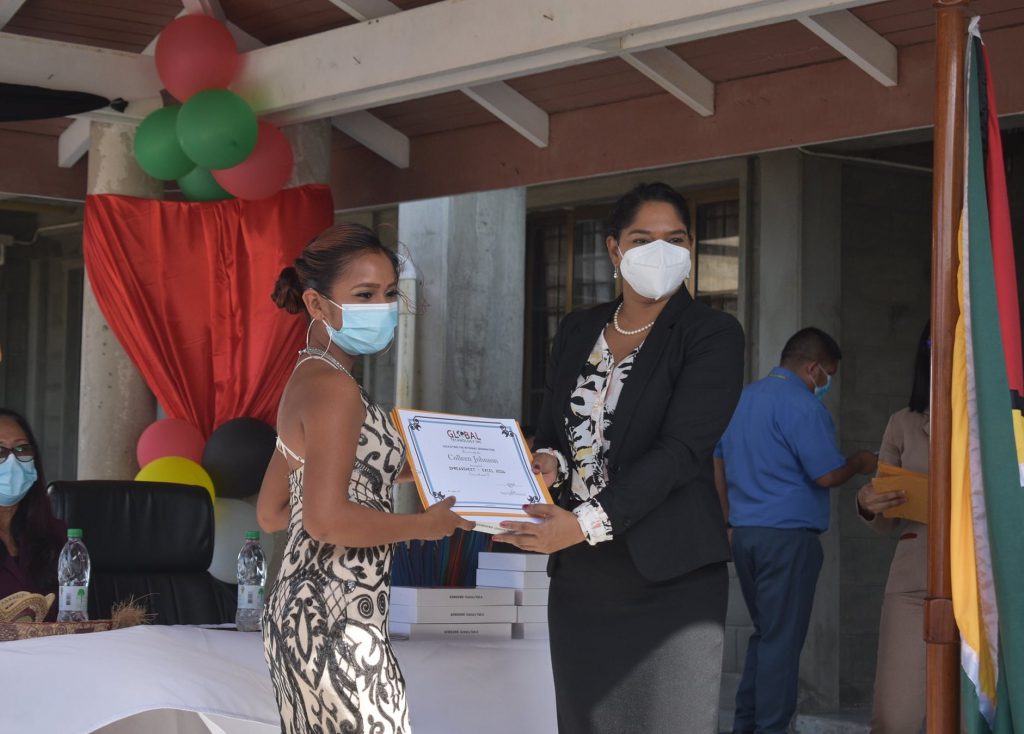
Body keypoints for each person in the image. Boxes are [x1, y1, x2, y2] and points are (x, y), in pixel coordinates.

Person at [494, 182, 746, 734]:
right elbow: (555, 427)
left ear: (691, 247)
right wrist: (546, 460)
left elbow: (682, 452)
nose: (661, 250)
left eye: (675, 238)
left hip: (671, 578)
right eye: (642, 238)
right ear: (614, 250)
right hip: (582, 580)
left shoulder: (711, 334)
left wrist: (583, 523)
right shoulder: (579, 329)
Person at [258, 223, 473, 734]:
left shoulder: (308, 377)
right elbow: (327, 520)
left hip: (303, 615)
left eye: (390, 292)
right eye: (364, 294)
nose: (383, 306)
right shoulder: (335, 389)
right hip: (339, 621)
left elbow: (272, 512)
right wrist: (424, 526)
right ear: (316, 304)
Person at [713, 328, 878, 734]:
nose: (827, 384)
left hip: (746, 535)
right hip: (787, 540)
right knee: (782, 643)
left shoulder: (741, 400)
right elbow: (825, 475)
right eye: (828, 374)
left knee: (765, 636)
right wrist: (858, 462)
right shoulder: (803, 407)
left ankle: (746, 726)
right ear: (813, 367)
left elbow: (716, 463)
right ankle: (771, 728)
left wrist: (729, 521)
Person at [855, 324, 930, 734]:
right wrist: (868, 502)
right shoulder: (903, 422)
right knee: (894, 716)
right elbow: (884, 512)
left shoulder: (1006, 416)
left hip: (990, 576)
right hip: (917, 576)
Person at [0, 409, 66, 620]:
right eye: (0, 451)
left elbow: (75, 613)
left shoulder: (57, 534)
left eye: (22, 449)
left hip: (53, 650)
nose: (13, 462)